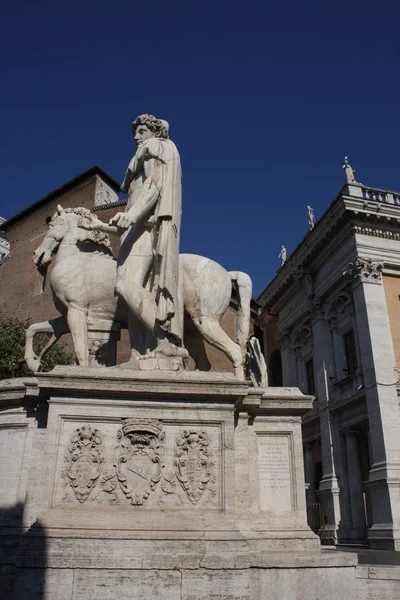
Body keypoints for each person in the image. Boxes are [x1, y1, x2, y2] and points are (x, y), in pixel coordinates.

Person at [88, 114, 187, 366]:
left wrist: (131, 215)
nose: (136, 136)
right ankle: (140, 353)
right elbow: (132, 207)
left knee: (125, 284)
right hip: (135, 228)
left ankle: (166, 343)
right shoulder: (143, 155)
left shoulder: (154, 147)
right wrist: (102, 225)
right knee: (135, 294)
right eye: (136, 132)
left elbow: (155, 186)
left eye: (141, 130)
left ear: (154, 132)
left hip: (144, 228)